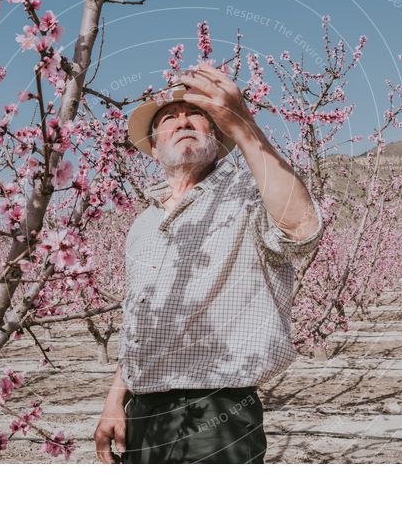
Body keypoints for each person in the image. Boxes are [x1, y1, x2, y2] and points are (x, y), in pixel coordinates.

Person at [93, 64, 324, 464]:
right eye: (169, 118)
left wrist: (244, 125)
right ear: (152, 146)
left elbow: (302, 229)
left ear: (217, 137)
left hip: (218, 412)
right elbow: (138, 321)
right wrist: (116, 401)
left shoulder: (250, 195)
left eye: (195, 115)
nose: (182, 120)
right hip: (142, 412)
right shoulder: (144, 222)